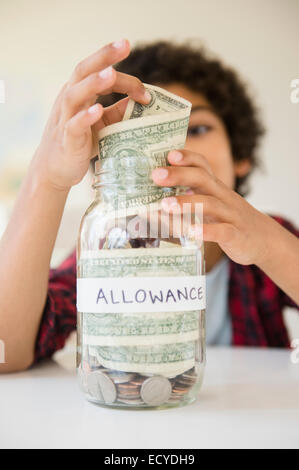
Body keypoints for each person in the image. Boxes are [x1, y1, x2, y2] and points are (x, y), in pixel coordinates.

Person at [0, 39, 298, 373]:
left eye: (197, 128)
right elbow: (6, 350)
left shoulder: (270, 237)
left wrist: (269, 246)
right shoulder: (105, 248)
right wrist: (48, 179)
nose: (173, 149)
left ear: (240, 155)